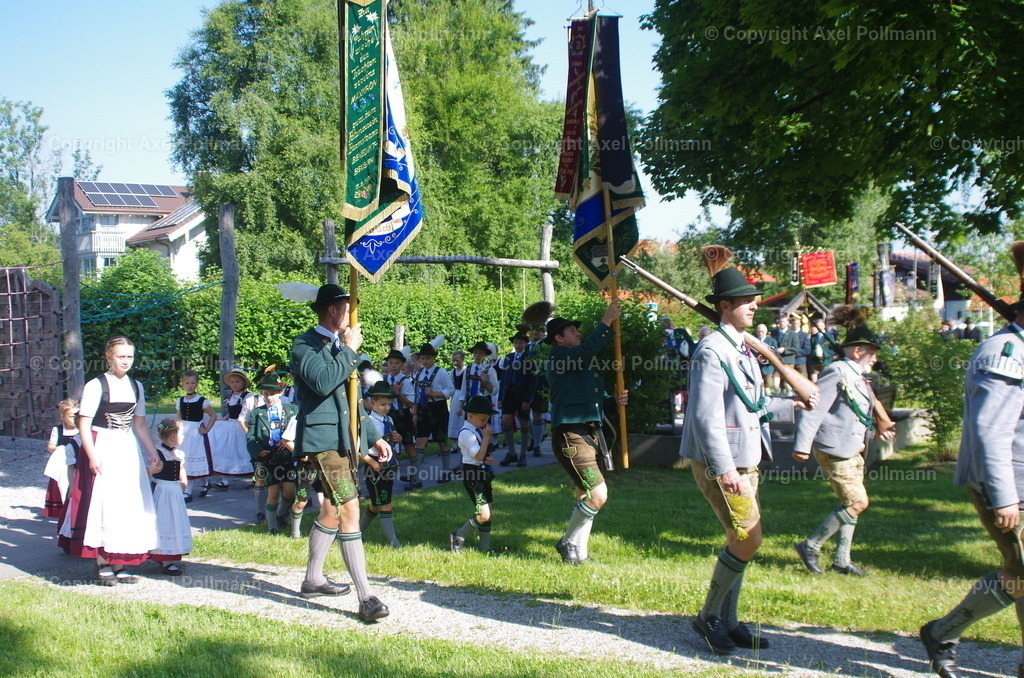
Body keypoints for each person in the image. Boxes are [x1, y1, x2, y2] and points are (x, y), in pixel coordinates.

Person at [680, 268, 817, 654]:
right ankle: (709, 617)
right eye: (746, 300)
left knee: (739, 539)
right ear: (725, 307)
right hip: (722, 463)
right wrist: (724, 470)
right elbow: (706, 417)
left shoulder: (741, 348)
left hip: (746, 458)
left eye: (754, 298)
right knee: (748, 537)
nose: (755, 304)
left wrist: (792, 403)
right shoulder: (712, 351)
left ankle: (730, 620)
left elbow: (750, 403)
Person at [919, 296, 1024, 678]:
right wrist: (1004, 496)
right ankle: (942, 632)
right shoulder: (1005, 352)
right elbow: (990, 431)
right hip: (1012, 485)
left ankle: (942, 633)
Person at [290, 284, 391, 622]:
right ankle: (367, 597)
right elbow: (321, 382)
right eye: (349, 308)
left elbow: (351, 401)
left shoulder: (340, 347)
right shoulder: (304, 345)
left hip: (346, 440)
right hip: (323, 441)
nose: (352, 315)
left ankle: (313, 579)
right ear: (333, 310)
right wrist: (348, 350)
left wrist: (373, 435)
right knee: (350, 508)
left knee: (332, 509)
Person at [792, 308, 896, 577]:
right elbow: (815, 408)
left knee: (850, 502)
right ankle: (811, 545)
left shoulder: (856, 374)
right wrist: (802, 445)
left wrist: (877, 428)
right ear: (859, 351)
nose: (875, 358)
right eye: (872, 352)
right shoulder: (836, 371)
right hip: (835, 448)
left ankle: (841, 560)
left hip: (852, 447)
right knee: (857, 502)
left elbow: (862, 407)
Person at [61, 336, 160, 585]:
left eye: (129, 356)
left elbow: (139, 423)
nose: (126, 361)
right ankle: (103, 563)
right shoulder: (96, 385)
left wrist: (153, 452)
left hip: (126, 447)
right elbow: (83, 423)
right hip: (103, 445)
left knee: (128, 503)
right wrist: (92, 455)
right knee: (105, 504)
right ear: (108, 356)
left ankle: (121, 562)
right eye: (121, 356)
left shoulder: (136, 386)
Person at [545, 299, 628, 566]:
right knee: (598, 495)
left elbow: (593, 397)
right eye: (571, 331)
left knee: (585, 495)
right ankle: (568, 541)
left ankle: (578, 554)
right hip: (571, 434)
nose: (577, 333)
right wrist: (605, 321)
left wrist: (614, 399)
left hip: (587, 433)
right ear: (558, 339)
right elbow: (586, 351)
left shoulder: (577, 361)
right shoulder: (558, 356)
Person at [246, 371, 299, 535]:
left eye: (273, 393)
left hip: (288, 456)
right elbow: (251, 436)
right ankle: (272, 527)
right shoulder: (257, 413)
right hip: (268, 456)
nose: (269, 397)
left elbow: (299, 430)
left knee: (290, 491)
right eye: (265, 393)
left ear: (281, 392)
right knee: (273, 491)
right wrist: (258, 451)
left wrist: (293, 444)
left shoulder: (292, 410)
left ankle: (281, 513)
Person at [451, 395, 498, 553]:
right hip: (472, 475)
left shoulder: (476, 430)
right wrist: (486, 438)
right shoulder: (467, 433)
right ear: (470, 415)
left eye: (487, 419)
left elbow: (482, 456)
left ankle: (485, 547)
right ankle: (458, 536)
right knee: (483, 514)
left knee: (488, 513)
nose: (486, 424)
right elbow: (477, 455)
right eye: (483, 419)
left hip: (482, 472)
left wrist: (488, 459)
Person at [360, 380, 402, 548]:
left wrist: (398, 439)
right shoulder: (367, 423)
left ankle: (357, 533)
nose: (386, 407)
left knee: (376, 504)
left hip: (388, 465)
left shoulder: (389, 420)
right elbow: (358, 448)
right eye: (383, 404)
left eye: (389, 404)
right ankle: (394, 544)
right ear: (372, 402)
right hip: (374, 466)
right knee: (385, 504)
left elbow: (393, 442)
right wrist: (372, 463)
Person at [149, 418, 192, 576]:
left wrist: (183, 481)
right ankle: (164, 558)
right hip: (163, 490)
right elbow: (151, 471)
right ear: (173, 436)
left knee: (175, 520)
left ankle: (170, 555)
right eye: (182, 434)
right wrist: (152, 470)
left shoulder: (178, 453)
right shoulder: (159, 453)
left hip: (174, 491)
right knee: (164, 521)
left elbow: (181, 468)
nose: (184, 437)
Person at [411, 342, 456, 485]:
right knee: (420, 440)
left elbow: (451, 390)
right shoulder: (418, 373)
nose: (424, 361)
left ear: (434, 358)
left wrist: (434, 393)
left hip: (438, 408)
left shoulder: (441, 372)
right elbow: (417, 393)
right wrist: (415, 410)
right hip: (424, 408)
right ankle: (416, 477)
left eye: (427, 359)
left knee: (442, 440)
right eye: (422, 358)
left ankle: (446, 471)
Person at [205, 367, 256, 491]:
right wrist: (222, 419)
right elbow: (231, 413)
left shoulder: (248, 396)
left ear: (243, 383)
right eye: (232, 382)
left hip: (241, 426)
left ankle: (255, 478)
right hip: (231, 424)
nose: (234, 384)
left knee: (245, 451)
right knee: (224, 450)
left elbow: (249, 413)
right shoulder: (232, 395)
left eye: (237, 382)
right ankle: (224, 480)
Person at [177, 370, 218, 502]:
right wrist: (176, 430)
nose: (190, 385)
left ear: (197, 384)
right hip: (184, 432)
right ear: (182, 384)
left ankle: (187, 491)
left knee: (193, 459)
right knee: (185, 459)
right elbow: (178, 418)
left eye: (193, 383)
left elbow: (213, 415)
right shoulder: (180, 401)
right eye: (187, 383)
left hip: (196, 434)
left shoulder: (202, 401)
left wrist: (206, 429)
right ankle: (205, 483)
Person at [497, 330, 537, 467]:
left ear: (525, 344)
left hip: (523, 394)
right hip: (509, 393)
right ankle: (511, 453)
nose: (518, 345)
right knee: (506, 420)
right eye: (515, 342)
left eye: (520, 342)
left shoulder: (530, 357)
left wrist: (527, 399)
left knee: (524, 422)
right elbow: (504, 378)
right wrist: (501, 397)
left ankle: (523, 455)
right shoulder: (508, 357)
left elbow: (533, 380)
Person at [43, 398, 79, 518]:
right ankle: (62, 513)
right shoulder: (58, 430)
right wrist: (60, 448)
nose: (74, 419)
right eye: (71, 416)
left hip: (77, 464)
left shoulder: (81, 430)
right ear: (63, 417)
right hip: (63, 464)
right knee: (62, 485)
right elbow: (50, 445)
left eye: (76, 416)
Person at [447, 349, 468, 442]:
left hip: (464, 395)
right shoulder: (452, 372)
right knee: (454, 418)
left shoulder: (466, 370)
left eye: (457, 360)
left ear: (462, 359)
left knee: (463, 418)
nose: (455, 362)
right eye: (454, 360)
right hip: (456, 395)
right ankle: (454, 442)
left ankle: (464, 440)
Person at [753, 324, 779, 394]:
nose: (760, 333)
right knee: (758, 385)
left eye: (762, 331)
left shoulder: (771, 340)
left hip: (768, 366)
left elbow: (775, 352)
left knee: (767, 385)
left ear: (766, 331)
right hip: (756, 366)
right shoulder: (753, 340)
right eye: (759, 331)